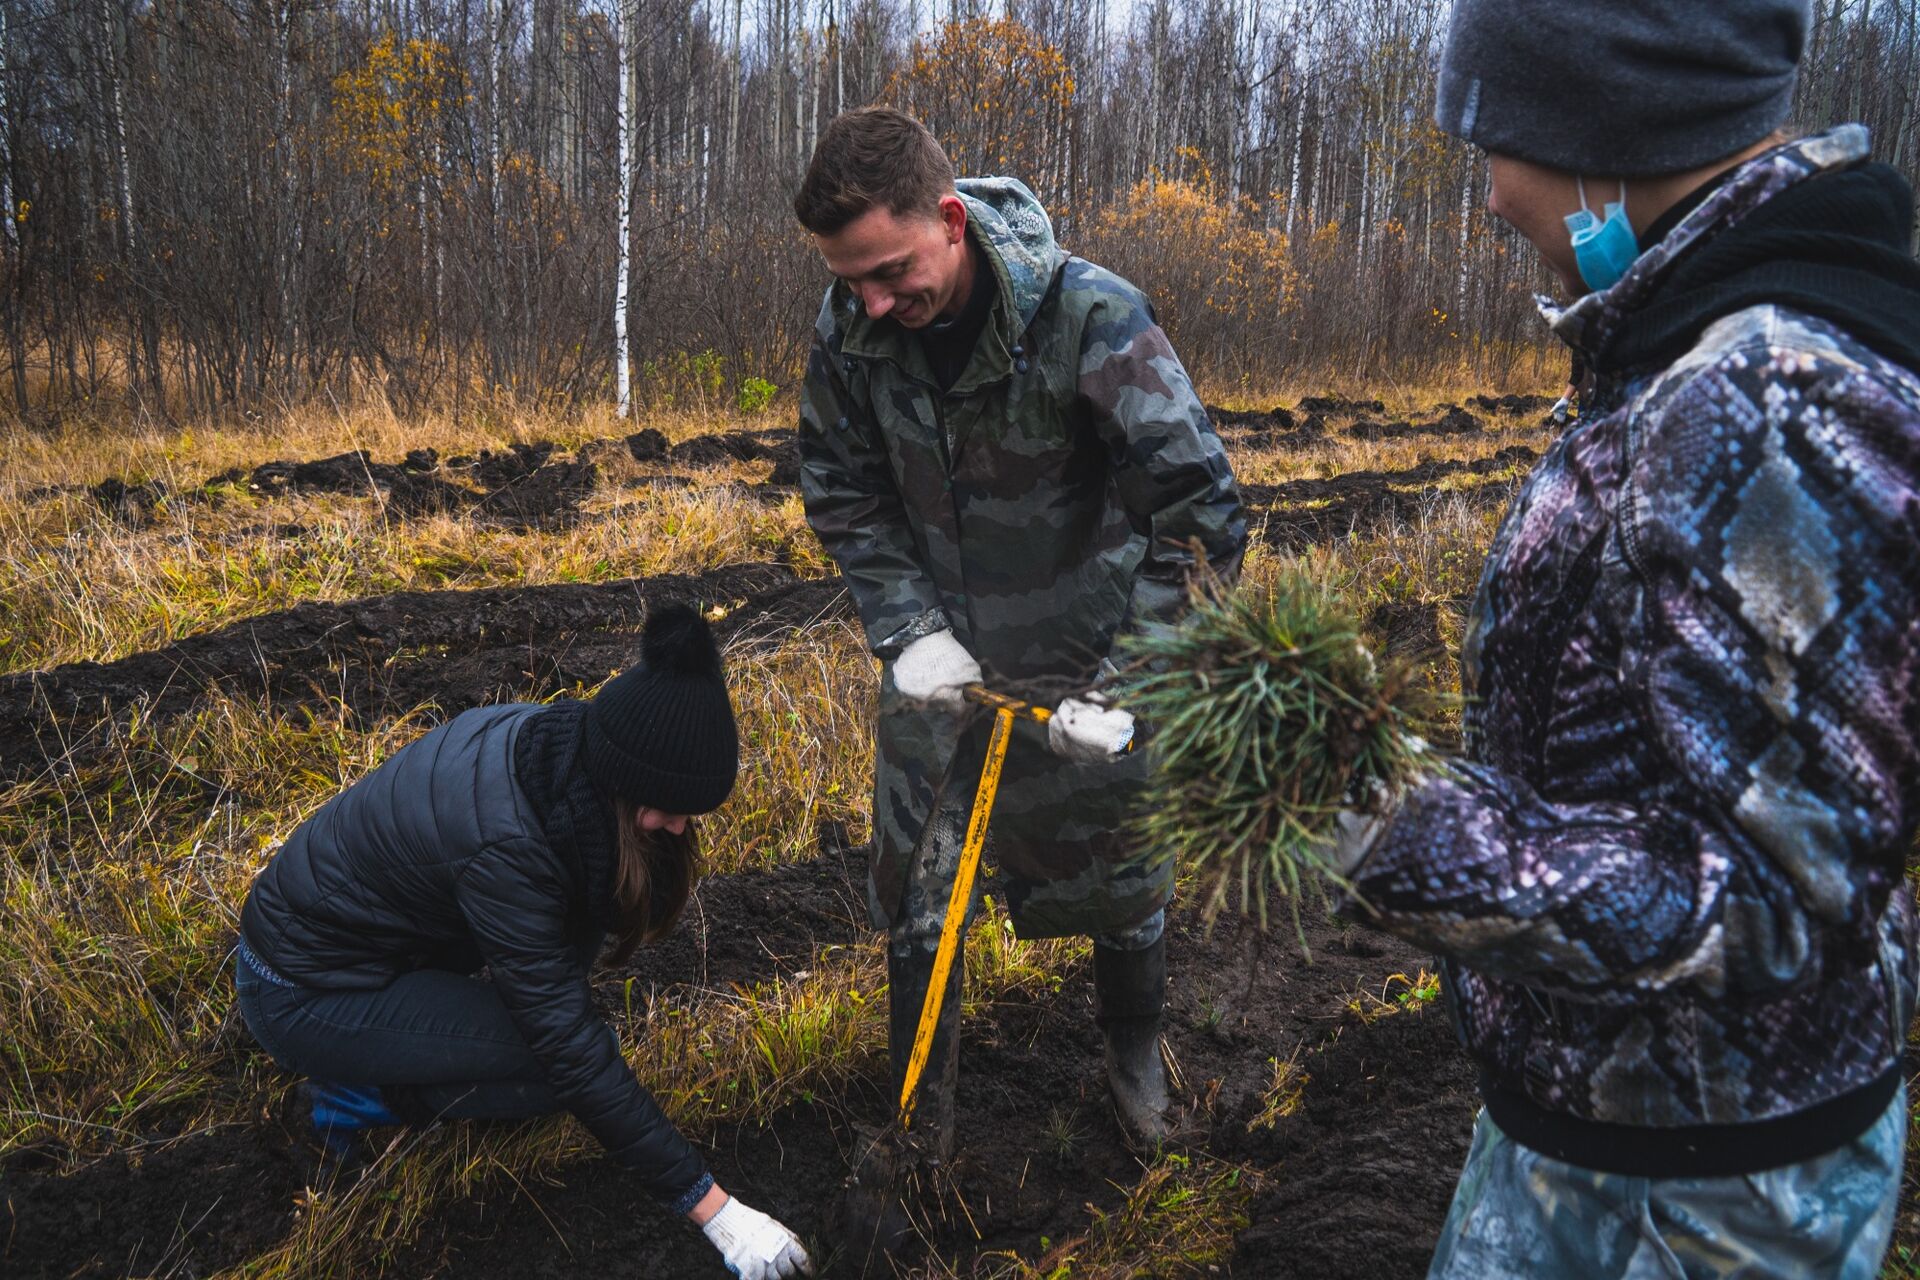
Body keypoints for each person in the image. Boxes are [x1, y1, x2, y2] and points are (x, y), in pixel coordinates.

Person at [1328, 1, 1920, 1276]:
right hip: (1606, 1125)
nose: (1488, 194)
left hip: (1701, 1191)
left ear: (1601, 131)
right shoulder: (1686, 336)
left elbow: (1779, 894)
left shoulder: (1767, 395)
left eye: (1496, 143)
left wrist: (1401, 828)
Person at [792, 107, 1246, 1156]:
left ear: (950, 221)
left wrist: (1132, 678)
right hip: (940, 676)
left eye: (891, 270)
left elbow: (1202, 512)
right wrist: (908, 631)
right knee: (920, 894)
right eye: (850, 277)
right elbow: (843, 490)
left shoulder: (1091, 320)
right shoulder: (852, 329)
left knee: (1124, 883)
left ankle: (1134, 1059)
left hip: (1089, 663)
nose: (872, 300)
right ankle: (923, 1122)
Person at [234, 604, 813, 1280]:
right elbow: (566, 1049)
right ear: (625, 779)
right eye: (671, 808)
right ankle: (349, 1099)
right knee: (550, 1070)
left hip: (369, 952)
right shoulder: (507, 844)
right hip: (302, 992)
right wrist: (717, 1212)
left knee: (562, 1045)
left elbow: (565, 959)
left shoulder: (559, 756)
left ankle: (402, 1051)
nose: (680, 828)